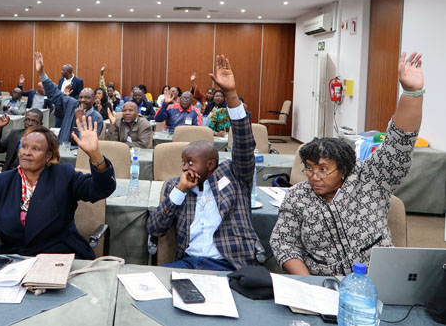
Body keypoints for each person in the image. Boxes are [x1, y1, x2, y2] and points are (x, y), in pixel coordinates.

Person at [270, 51, 425, 276]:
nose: (314, 176)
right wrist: (309, 287)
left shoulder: (370, 181)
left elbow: (398, 142)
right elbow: (285, 243)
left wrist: (412, 93)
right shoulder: (297, 196)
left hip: (376, 283)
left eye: (323, 169)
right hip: (323, 285)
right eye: (310, 169)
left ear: (343, 170)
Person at [0, 117, 116, 260]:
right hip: (13, 258)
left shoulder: (63, 175)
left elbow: (100, 189)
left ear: (49, 156)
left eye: (35, 149)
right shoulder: (4, 181)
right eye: (24, 147)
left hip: (57, 256)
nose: (26, 152)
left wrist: (95, 156)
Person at [147, 54, 261, 271]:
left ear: (210, 165)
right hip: (188, 263)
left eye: (190, 162)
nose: (184, 167)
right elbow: (155, 229)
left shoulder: (234, 175)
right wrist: (180, 190)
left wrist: (231, 94)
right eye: (183, 162)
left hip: (229, 265)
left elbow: (244, 145)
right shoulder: (175, 186)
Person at [36, 52, 103, 143]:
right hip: (62, 149)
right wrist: (41, 72)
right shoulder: (72, 104)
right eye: (81, 97)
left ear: (94, 99)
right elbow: (54, 92)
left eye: (87, 98)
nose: (83, 100)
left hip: (80, 154)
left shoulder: (97, 118)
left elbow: (90, 143)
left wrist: (80, 121)